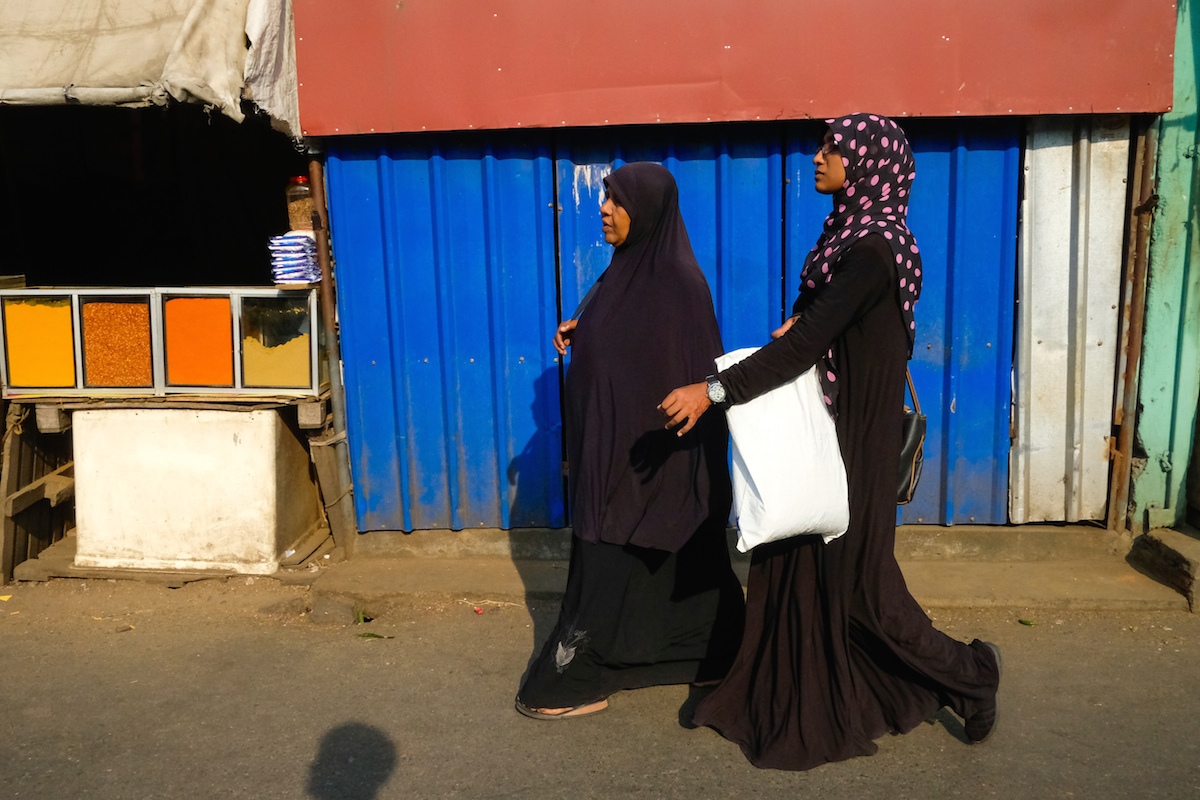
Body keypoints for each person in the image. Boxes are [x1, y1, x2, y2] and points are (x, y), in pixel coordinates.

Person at [659, 114, 1001, 769]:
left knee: (865, 591)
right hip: (829, 430)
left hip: (860, 441)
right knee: (808, 572)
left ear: (867, 163)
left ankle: (974, 674)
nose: (819, 157)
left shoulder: (873, 250)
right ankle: (823, 691)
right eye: (821, 144)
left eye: (832, 147)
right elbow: (817, 325)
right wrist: (805, 319)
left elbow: (806, 345)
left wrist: (714, 391)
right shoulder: (846, 238)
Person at [515, 162, 746, 720]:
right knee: (653, 560)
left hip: (648, 461)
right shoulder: (624, 271)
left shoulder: (678, 286)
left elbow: (682, 368)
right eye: (605, 198)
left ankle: (578, 677)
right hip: (618, 454)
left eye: (616, 200)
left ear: (648, 212)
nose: (604, 209)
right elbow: (624, 339)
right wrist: (582, 328)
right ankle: (708, 655)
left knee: (616, 551)